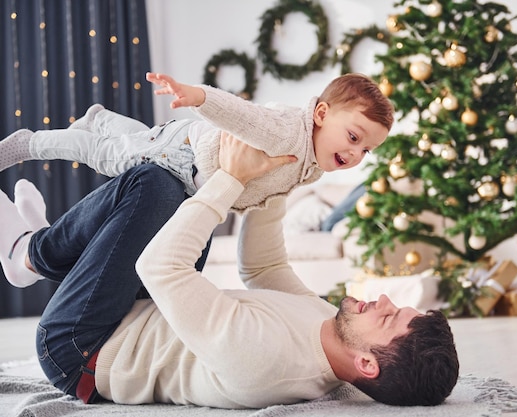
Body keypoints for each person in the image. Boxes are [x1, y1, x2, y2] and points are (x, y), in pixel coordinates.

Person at [0, 134, 459, 408]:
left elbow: (160, 268)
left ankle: (29, 254)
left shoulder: (266, 361)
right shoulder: (330, 331)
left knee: (157, 183)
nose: (381, 300)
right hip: (136, 313)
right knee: (183, 187)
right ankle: (46, 249)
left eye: (386, 318)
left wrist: (233, 181)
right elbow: (263, 267)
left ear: (366, 364)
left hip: (82, 352)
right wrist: (285, 176)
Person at [0, 71, 394, 207]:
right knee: (108, 158)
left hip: (182, 148)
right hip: (182, 156)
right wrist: (198, 96)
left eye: (367, 149)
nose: (357, 153)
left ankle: (101, 119)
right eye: (354, 137)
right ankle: (29, 143)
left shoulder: (312, 164)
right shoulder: (289, 131)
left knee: (142, 139)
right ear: (322, 115)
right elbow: (244, 115)